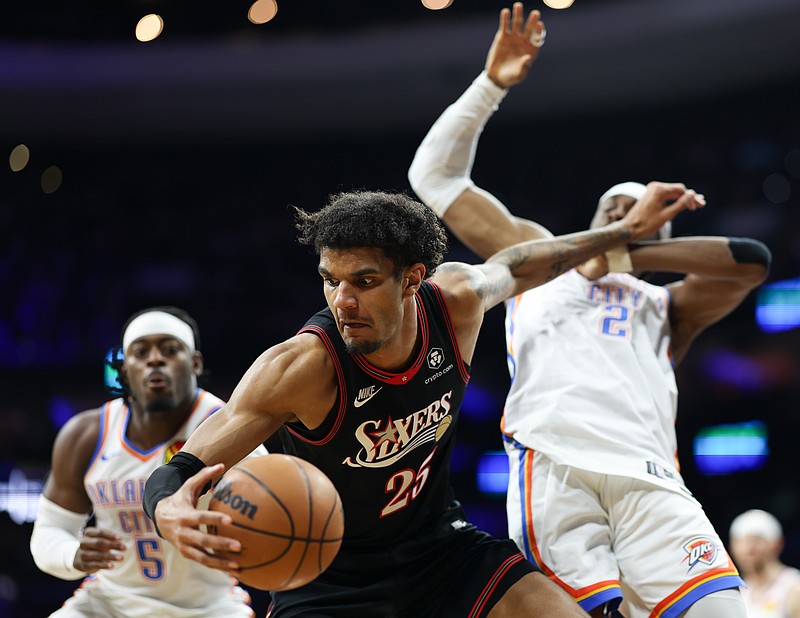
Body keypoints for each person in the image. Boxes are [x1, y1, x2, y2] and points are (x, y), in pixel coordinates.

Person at [142, 181, 699, 618]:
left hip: (441, 550)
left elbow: (525, 262)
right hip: (326, 578)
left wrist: (620, 231)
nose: (343, 301)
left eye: (362, 282)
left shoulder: (454, 303)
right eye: (329, 281)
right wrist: (166, 506)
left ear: (411, 279)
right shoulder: (299, 368)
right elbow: (186, 464)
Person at [407, 4, 772, 617]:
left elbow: (752, 261)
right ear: (594, 218)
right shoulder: (534, 259)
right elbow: (434, 175)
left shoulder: (667, 303)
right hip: (554, 468)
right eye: (615, 211)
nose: (625, 218)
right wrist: (491, 84)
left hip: (649, 475)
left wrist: (631, 252)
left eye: (638, 216)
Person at [30, 306, 267, 617]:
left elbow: (270, 525)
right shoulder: (86, 434)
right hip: (108, 603)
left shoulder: (231, 430)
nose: (155, 359)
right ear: (125, 371)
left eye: (170, 350)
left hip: (209, 607)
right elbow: (49, 533)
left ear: (195, 363)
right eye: (140, 352)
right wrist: (73, 554)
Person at [729, 509, 800, 618]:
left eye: (756, 541)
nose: (748, 549)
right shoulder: (736, 593)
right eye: (741, 541)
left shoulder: (793, 586)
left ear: (777, 545)